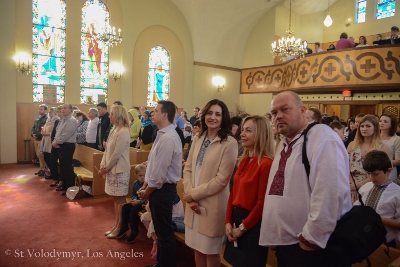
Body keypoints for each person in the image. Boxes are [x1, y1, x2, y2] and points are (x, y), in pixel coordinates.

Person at [259, 91, 352, 267]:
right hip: (288, 243)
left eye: (285, 109)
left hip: (312, 247)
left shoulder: (321, 136)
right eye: (274, 112)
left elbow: (330, 191)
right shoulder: (286, 142)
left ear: (303, 110)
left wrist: (311, 239)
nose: (278, 116)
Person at [182, 99, 238, 267]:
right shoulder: (198, 137)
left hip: (212, 205)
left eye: (218, 114)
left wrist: (193, 194)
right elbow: (188, 168)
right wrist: (189, 196)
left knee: (210, 252)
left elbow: (221, 179)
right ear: (204, 115)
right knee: (196, 249)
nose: (213, 117)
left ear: (223, 118)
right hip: (193, 203)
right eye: (210, 113)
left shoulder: (229, 143)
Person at [137, 100, 182, 267]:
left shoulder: (169, 138)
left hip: (162, 191)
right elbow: (153, 165)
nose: (152, 113)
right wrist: (145, 186)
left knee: (164, 234)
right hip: (157, 189)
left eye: (155, 111)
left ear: (165, 115)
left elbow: (160, 173)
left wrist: (147, 192)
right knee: (160, 230)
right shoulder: (162, 134)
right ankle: (161, 263)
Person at [224, 115, 274, 267]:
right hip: (236, 219)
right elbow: (233, 194)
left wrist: (243, 227)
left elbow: (262, 203)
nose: (242, 134)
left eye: (248, 131)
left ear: (261, 134)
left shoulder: (266, 164)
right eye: (242, 130)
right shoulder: (244, 160)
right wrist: (228, 221)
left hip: (253, 224)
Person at [354, 150, 400, 246]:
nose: (371, 177)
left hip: (385, 243)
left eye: (375, 174)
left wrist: (376, 218)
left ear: (388, 171)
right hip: (362, 240)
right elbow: (356, 209)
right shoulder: (365, 187)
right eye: (368, 173)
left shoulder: (397, 193)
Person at [98, 105, 131, 238]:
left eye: (112, 114)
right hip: (111, 169)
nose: (109, 116)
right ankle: (116, 224)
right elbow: (107, 151)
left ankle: (121, 227)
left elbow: (117, 154)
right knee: (115, 198)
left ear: (118, 115)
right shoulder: (114, 129)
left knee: (120, 199)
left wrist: (106, 168)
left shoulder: (123, 131)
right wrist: (102, 164)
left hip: (119, 170)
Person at [347, 115, 390, 201]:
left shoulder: (383, 147)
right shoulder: (352, 145)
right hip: (351, 184)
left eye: (368, 126)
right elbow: (345, 166)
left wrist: (358, 185)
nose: (364, 129)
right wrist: (352, 185)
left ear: (375, 128)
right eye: (362, 126)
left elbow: (385, 171)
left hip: (373, 185)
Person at [116, 164, 146, 243]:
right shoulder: (135, 183)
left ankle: (134, 230)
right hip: (136, 201)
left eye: (144, 175)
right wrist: (134, 200)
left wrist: (139, 201)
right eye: (140, 175)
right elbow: (134, 194)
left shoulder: (147, 184)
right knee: (125, 208)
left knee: (133, 211)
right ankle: (124, 227)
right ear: (135, 175)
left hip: (144, 204)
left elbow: (147, 198)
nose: (143, 177)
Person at [52, 104, 78, 195]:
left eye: (65, 108)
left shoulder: (72, 120)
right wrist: (55, 141)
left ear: (71, 110)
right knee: (62, 167)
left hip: (68, 145)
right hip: (62, 145)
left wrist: (57, 142)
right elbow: (58, 132)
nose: (63, 110)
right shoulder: (63, 119)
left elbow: (66, 134)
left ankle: (69, 188)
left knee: (67, 168)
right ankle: (64, 185)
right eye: (62, 108)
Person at [379, 114, 400, 182]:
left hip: (388, 171)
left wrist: (380, 163)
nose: (381, 123)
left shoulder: (396, 139)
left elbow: (398, 160)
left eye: (385, 121)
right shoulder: (375, 137)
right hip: (371, 170)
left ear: (391, 125)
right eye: (380, 121)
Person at [40, 107, 58, 179]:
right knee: (46, 157)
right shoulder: (48, 120)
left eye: (51, 112)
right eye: (49, 112)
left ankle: (54, 174)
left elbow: (55, 132)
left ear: (54, 113)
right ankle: (51, 172)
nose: (49, 113)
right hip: (45, 140)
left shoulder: (56, 121)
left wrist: (47, 134)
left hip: (50, 141)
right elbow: (44, 128)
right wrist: (42, 132)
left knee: (51, 159)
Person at [31, 104, 48, 176]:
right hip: (36, 138)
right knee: (38, 155)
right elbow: (33, 127)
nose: (39, 110)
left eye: (41, 109)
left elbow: (43, 128)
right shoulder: (37, 118)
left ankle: (43, 169)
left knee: (41, 154)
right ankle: (41, 168)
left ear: (45, 110)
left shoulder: (47, 118)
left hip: (42, 138)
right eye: (39, 109)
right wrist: (32, 134)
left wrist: (37, 134)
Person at [49, 106, 62, 187]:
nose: (60, 113)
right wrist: (53, 142)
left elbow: (64, 134)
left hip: (61, 145)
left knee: (61, 164)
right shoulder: (57, 121)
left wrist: (59, 143)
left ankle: (61, 180)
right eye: (58, 112)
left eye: (61, 111)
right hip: (54, 144)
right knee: (52, 161)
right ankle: (55, 178)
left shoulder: (66, 121)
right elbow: (53, 133)